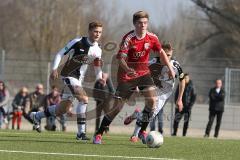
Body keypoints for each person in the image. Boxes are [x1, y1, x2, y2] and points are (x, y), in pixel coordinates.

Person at [93, 11, 177, 144]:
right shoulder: (129, 38)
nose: (143, 25)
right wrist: (128, 70)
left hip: (143, 73)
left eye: (145, 23)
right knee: (117, 108)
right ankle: (98, 134)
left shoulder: (152, 37)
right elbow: (120, 58)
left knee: (152, 101)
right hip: (127, 76)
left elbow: (161, 51)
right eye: (140, 23)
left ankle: (143, 131)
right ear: (134, 24)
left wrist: (170, 68)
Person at [30, 21, 104, 141]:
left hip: (79, 79)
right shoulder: (77, 42)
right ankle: (81, 133)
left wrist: (100, 78)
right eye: (95, 31)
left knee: (62, 109)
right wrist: (54, 69)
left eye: (100, 32)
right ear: (89, 31)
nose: (97, 34)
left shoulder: (98, 49)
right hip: (69, 76)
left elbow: (97, 65)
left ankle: (37, 116)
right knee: (84, 99)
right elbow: (60, 53)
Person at [123, 42, 185, 142]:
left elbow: (183, 81)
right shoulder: (152, 62)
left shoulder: (175, 65)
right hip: (153, 89)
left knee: (149, 115)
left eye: (169, 55)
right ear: (160, 53)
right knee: (150, 114)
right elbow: (141, 74)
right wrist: (137, 86)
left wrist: (180, 99)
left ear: (171, 54)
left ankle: (137, 116)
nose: (166, 57)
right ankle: (136, 135)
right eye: (164, 54)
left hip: (165, 93)